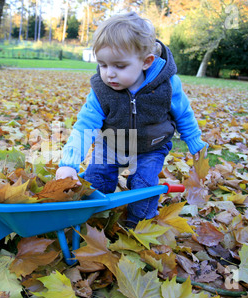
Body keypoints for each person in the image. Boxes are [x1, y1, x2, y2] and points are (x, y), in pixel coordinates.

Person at [55, 12, 208, 228]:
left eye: (119, 66)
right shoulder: (102, 90)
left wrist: (194, 141)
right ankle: (92, 219)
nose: (109, 74)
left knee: (144, 185)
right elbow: (85, 125)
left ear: (146, 62)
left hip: (151, 147)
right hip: (111, 143)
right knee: (96, 179)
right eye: (103, 64)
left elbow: (183, 113)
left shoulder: (167, 85)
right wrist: (69, 163)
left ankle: (137, 225)